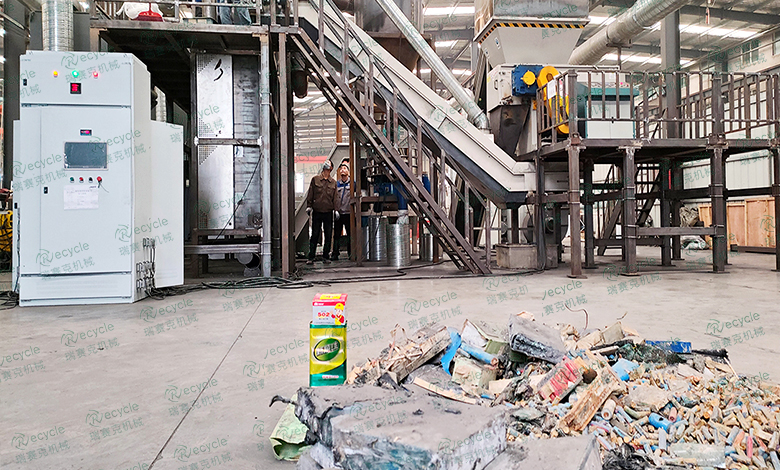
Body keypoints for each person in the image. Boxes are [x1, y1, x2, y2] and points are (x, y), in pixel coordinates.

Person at [306, 161, 339, 265]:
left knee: (328, 235)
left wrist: (336, 210)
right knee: (315, 234)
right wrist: (309, 206)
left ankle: (326, 256)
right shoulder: (315, 180)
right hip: (317, 211)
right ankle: (311, 256)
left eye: (328, 164)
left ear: (331, 168)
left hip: (328, 212)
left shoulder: (333, 183)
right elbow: (311, 193)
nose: (326, 165)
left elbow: (335, 198)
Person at [331, 163, 351, 260]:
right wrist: (335, 210)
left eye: (345, 168)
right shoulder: (336, 184)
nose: (342, 170)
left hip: (348, 213)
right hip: (338, 213)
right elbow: (334, 198)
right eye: (341, 168)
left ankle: (351, 253)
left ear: (348, 172)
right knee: (336, 234)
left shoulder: (353, 184)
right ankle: (335, 253)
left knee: (350, 234)